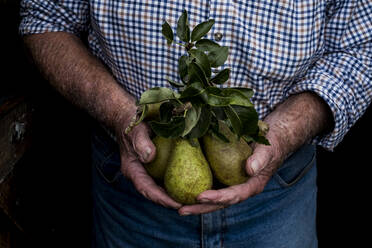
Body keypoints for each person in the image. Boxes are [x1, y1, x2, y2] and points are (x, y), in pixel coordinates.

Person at [19, 0, 371, 247]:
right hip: (131, 186)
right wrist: (120, 116)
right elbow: (45, 17)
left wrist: (284, 133)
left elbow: (361, 47)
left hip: (277, 195)